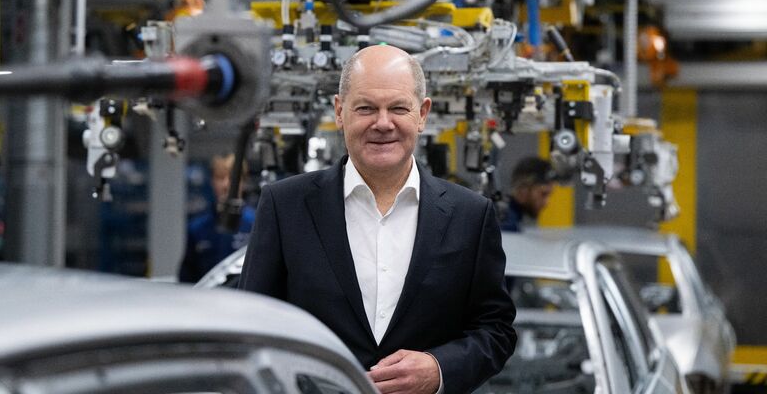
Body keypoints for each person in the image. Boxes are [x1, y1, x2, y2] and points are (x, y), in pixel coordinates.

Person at [239, 45, 516, 394]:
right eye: (366, 108)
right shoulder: (285, 206)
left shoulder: (470, 215)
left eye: (398, 108)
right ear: (340, 112)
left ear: (422, 113)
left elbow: (496, 329)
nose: (382, 123)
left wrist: (439, 368)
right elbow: (252, 327)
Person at [178, 154, 255, 283]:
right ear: (212, 181)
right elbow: (186, 279)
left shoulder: (257, 224)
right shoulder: (197, 228)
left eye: (232, 178)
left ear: (243, 182)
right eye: (220, 178)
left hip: (247, 300)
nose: (226, 184)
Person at [499, 157, 556, 232]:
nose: (546, 203)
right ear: (523, 189)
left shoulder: (509, 219)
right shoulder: (507, 226)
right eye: (543, 194)